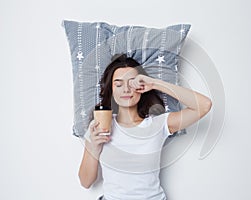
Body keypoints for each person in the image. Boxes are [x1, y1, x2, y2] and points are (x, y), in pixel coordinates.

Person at [78, 54, 212, 200]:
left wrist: (154, 84)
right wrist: (93, 147)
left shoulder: (158, 124)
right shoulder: (98, 127)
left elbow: (204, 106)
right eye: (118, 84)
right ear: (111, 90)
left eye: (132, 83)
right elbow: (85, 182)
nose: (126, 90)